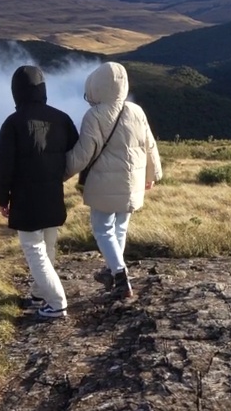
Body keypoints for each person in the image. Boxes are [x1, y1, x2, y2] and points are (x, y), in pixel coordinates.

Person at [66, 62, 163, 300]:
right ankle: (112, 270)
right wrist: (152, 176)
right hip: (132, 183)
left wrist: (59, 174)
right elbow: (150, 145)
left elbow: (83, 154)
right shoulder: (136, 111)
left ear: (97, 86)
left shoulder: (94, 115)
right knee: (120, 227)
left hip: (104, 184)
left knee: (102, 229)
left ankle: (120, 277)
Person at [0, 65, 79, 319]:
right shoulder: (62, 118)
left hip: (25, 198)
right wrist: (59, 176)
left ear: (16, 91)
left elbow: (4, 166)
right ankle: (40, 292)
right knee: (49, 245)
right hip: (54, 194)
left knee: (34, 249)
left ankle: (56, 302)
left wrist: (2, 199)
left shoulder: (12, 123)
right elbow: (74, 154)